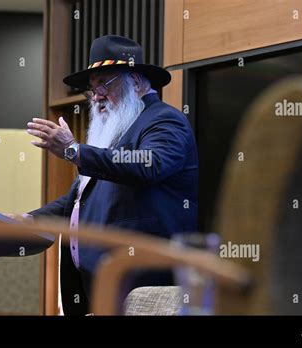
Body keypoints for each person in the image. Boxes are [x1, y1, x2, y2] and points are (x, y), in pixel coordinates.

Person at [25, 35, 198, 315]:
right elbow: (78, 201)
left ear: (137, 81)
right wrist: (29, 220)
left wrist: (73, 151)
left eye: (104, 82)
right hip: (98, 284)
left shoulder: (165, 120)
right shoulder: (117, 131)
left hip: (143, 287)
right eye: (92, 89)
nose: (96, 96)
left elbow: (148, 165)